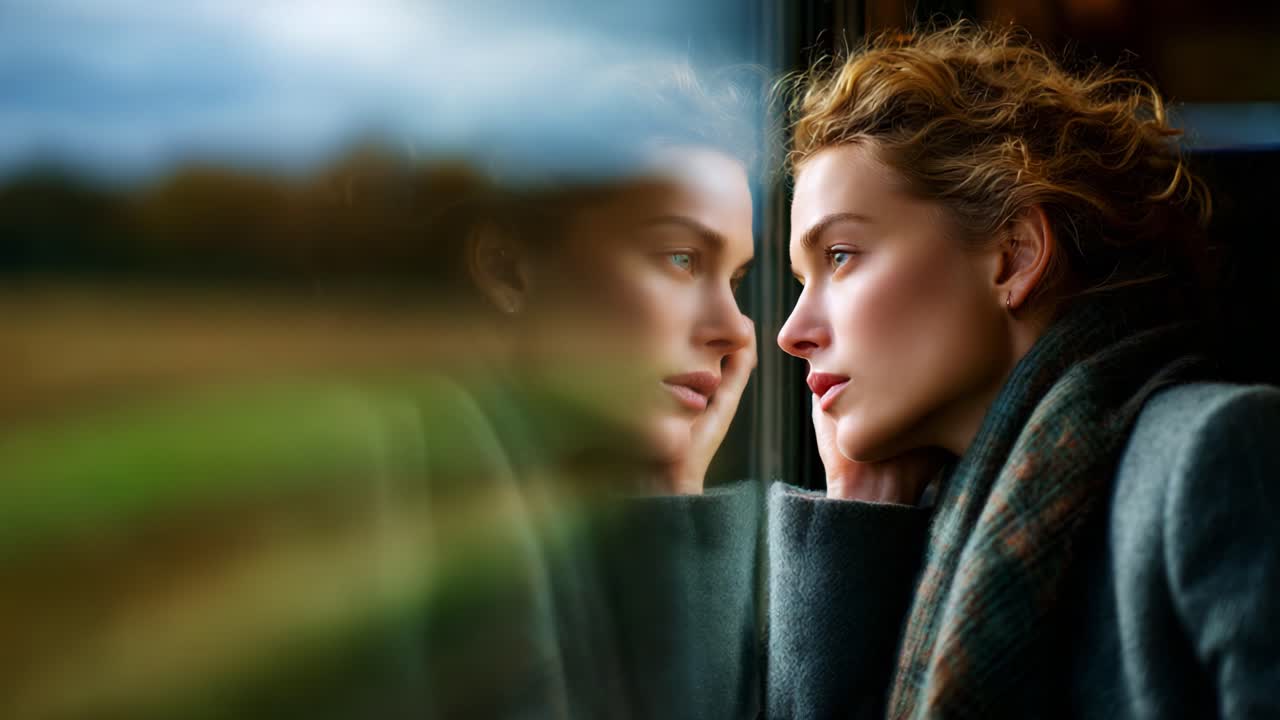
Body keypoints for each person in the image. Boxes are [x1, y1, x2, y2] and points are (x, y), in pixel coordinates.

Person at [769, 22, 1280, 719]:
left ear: (1014, 256)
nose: (792, 332)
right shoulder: (938, 519)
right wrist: (858, 509)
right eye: (801, 278)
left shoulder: (1215, 453)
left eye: (840, 256)